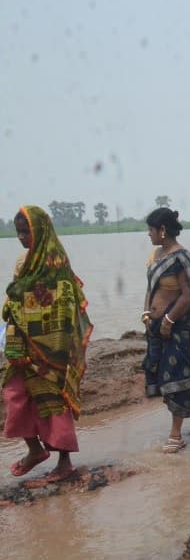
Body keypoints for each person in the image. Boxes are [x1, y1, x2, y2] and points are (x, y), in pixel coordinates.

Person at [3, 206, 91, 480]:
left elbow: (65, 306)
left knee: (54, 401)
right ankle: (35, 450)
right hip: (23, 347)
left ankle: (64, 461)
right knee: (15, 396)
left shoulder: (57, 266)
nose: (21, 237)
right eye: (17, 232)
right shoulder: (23, 263)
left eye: (26, 231)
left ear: (40, 231)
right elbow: (14, 301)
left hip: (54, 350)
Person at [143, 207, 190, 453]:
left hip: (181, 324)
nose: (149, 234)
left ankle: (175, 434)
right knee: (186, 369)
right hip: (158, 324)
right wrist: (147, 314)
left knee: (174, 374)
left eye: (151, 230)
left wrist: (168, 320)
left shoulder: (181, 257)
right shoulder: (156, 255)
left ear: (162, 230)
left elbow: (188, 295)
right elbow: (151, 290)